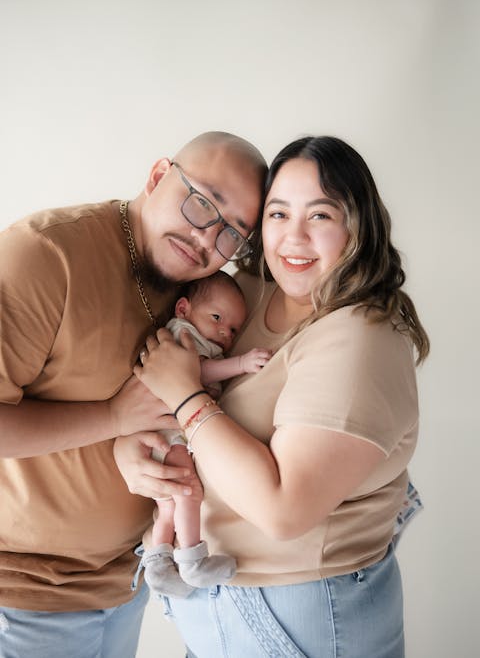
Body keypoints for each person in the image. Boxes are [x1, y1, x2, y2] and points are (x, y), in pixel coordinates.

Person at [115, 135, 430, 658]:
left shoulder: (360, 340)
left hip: (300, 616)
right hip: (216, 602)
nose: (293, 238)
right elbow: (157, 394)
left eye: (321, 216)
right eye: (279, 213)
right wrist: (130, 450)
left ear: (358, 226)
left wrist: (184, 395)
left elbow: (284, 511)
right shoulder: (249, 291)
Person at [0, 131, 267, 658]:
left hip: (126, 589)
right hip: (21, 596)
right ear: (157, 175)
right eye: (201, 202)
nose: (206, 238)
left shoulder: (208, 296)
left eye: (232, 232)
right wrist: (113, 418)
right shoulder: (47, 254)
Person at [143, 270, 271, 597]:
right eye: (216, 317)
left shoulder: (200, 337)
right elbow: (193, 373)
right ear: (183, 309)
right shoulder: (182, 334)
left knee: (171, 503)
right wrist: (240, 363)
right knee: (189, 493)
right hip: (168, 431)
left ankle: (159, 564)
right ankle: (192, 560)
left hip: (165, 433)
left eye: (232, 329)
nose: (223, 331)